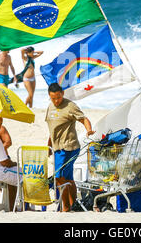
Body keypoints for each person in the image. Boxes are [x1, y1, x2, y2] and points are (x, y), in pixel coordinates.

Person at [45, 82, 95, 212]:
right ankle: (73, 205)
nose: (56, 101)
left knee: (59, 177)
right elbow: (52, 130)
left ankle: (65, 208)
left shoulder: (70, 106)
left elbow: (83, 118)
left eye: (58, 97)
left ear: (62, 93)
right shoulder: (50, 107)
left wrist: (89, 129)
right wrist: (49, 146)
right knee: (67, 178)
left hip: (69, 147)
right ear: (49, 97)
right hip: (57, 148)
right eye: (53, 98)